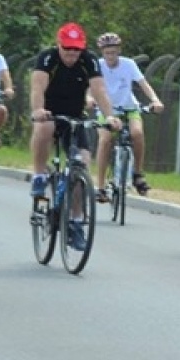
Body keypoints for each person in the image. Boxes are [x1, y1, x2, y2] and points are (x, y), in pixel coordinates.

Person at [28, 22, 123, 253]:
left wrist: (110, 117)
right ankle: (39, 174)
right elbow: (37, 88)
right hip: (50, 112)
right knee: (44, 129)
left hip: (75, 115)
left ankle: (76, 221)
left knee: (81, 164)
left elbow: (99, 90)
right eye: (67, 48)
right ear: (58, 45)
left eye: (76, 49)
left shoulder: (88, 61)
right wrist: (39, 110)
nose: (71, 53)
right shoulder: (48, 58)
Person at [91, 32, 164, 200]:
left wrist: (155, 100)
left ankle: (138, 173)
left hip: (129, 107)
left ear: (119, 50)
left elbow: (143, 84)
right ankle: (100, 186)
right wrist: (89, 98)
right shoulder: (97, 65)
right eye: (107, 52)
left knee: (137, 133)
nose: (111, 56)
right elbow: (91, 86)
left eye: (114, 52)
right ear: (102, 52)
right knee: (105, 140)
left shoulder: (128, 64)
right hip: (106, 109)